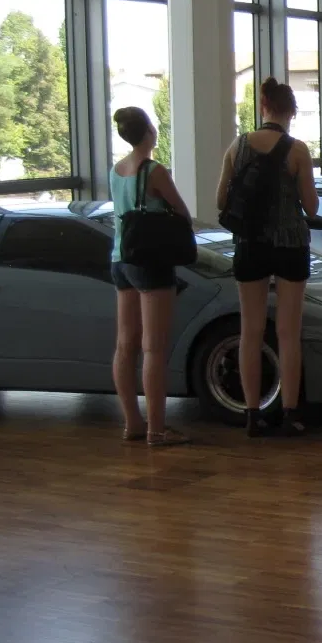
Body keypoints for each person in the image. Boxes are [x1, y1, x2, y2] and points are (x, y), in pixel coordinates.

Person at [215, 77, 318, 437]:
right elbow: (311, 204)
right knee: (288, 332)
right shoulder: (298, 150)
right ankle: (289, 412)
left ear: (263, 107)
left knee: (251, 330)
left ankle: (252, 413)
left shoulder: (238, 146)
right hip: (290, 245)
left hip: (250, 245)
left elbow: (220, 202)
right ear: (291, 111)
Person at [110, 107, 192, 447]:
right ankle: (157, 429)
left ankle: (132, 423)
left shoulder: (116, 170)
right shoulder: (155, 171)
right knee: (153, 349)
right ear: (148, 133)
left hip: (120, 258)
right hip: (152, 263)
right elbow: (182, 212)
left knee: (125, 344)